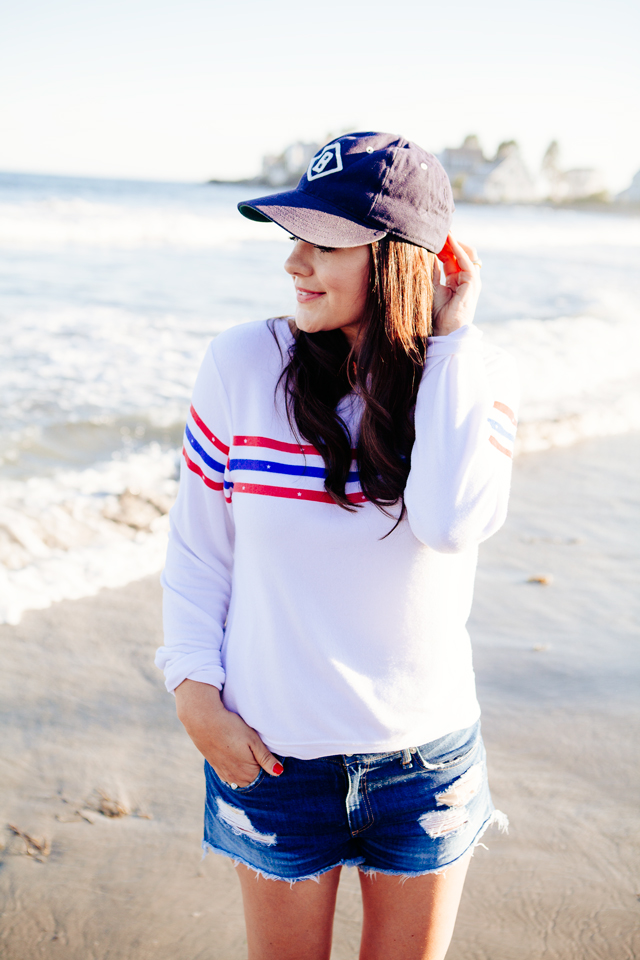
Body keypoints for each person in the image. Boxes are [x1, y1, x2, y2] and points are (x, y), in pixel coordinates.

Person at [155, 132, 519, 960]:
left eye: (326, 243)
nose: (294, 263)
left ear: (400, 258)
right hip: (273, 758)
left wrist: (453, 340)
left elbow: (450, 522)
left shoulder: (476, 375)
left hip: (425, 764)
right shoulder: (245, 362)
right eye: (293, 238)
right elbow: (199, 549)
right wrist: (191, 690)